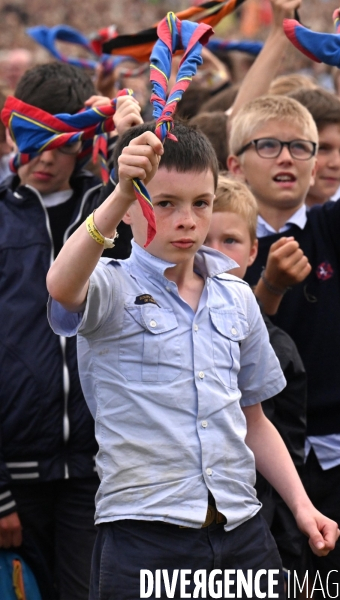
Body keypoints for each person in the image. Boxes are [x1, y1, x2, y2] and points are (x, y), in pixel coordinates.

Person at [46, 121, 339, 600]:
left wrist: (303, 508)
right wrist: (121, 192)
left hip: (240, 527)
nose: (186, 220)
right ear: (133, 210)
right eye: (164, 204)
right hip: (145, 536)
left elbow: (254, 421)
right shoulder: (111, 286)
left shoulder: (237, 296)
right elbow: (61, 286)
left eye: (201, 203)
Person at [227, 23, 340, 598]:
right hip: (257, 460)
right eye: (268, 146)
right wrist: (269, 286)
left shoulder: (333, 229)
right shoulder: (213, 243)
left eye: (300, 147)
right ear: (235, 164)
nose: (288, 158)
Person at [0, 62, 142, 600]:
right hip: (15, 472)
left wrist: (132, 144)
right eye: (32, 142)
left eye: (60, 145)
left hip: (98, 467)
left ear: (84, 144)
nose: (45, 158)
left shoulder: (112, 207)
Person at [204, 174, 308, 577]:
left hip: (256, 527)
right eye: (204, 240)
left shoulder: (277, 349)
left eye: (229, 241)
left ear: (252, 251)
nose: (215, 254)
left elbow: (283, 447)